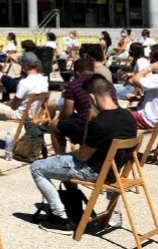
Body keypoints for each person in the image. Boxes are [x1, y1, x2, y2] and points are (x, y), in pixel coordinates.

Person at [30, 74, 137, 234]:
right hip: (114, 171)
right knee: (61, 160)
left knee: (37, 167)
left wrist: (72, 152)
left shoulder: (99, 123)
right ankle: (70, 206)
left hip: (94, 171)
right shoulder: (129, 117)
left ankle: (61, 217)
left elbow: (82, 157)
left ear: (92, 97)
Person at [49, 59, 118, 154]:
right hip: (110, 122)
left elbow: (68, 114)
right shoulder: (106, 83)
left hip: (89, 128)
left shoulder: (73, 85)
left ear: (77, 72)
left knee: (54, 124)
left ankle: (60, 154)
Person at [0, 53, 48, 144]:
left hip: (20, 114)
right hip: (33, 113)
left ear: (26, 65)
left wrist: (4, 104)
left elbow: (14, 104)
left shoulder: (24, 82)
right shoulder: (44, 80)